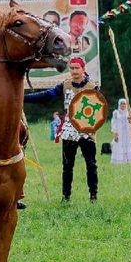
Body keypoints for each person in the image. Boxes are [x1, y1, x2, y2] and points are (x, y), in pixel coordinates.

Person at [26, 57, 101, 202]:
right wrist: (24, 98)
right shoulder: (65, 85)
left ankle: (93, 195)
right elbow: (47, 95)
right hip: (69, 129)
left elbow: (99, 110)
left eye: (77, 68)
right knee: (67, 165)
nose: (74, 71)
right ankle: (66, 196)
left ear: (83, 69)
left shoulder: (92, 87)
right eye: (72, 68)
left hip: (87, 130)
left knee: (91, 164)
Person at [110, 98, 131, 165]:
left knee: (129, 144)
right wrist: (115, 132)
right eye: (121, 104)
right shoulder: (116, 112)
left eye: (124, 104)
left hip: (128, 132)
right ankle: (120, 159)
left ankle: (129, 159)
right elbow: (114, 123)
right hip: (120, 132)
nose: (123, 105)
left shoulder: (130, 111)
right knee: (119, 144)